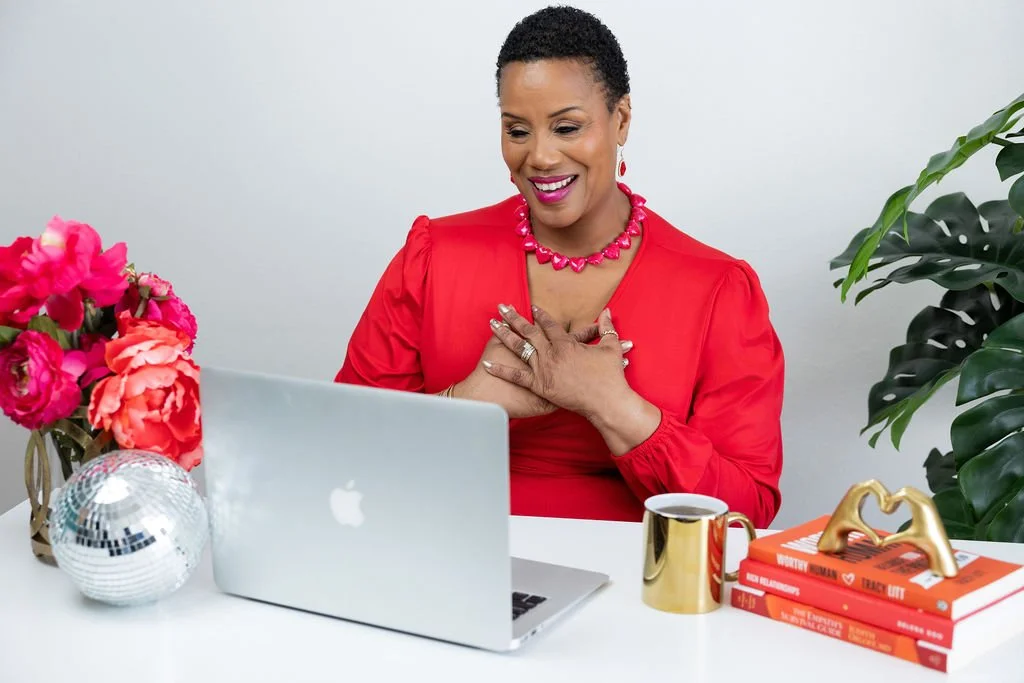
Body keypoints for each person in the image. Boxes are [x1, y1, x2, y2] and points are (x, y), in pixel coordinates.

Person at [336, 5, 784, 528]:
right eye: (518, 130)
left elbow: (747, 514)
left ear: (621, 120)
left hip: (635, 583)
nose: (541, 157)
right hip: (443, 554)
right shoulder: (434, 256)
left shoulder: (717, 289)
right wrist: (466, 404)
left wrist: (611, 405)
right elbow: (342, 447)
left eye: (567, 127)